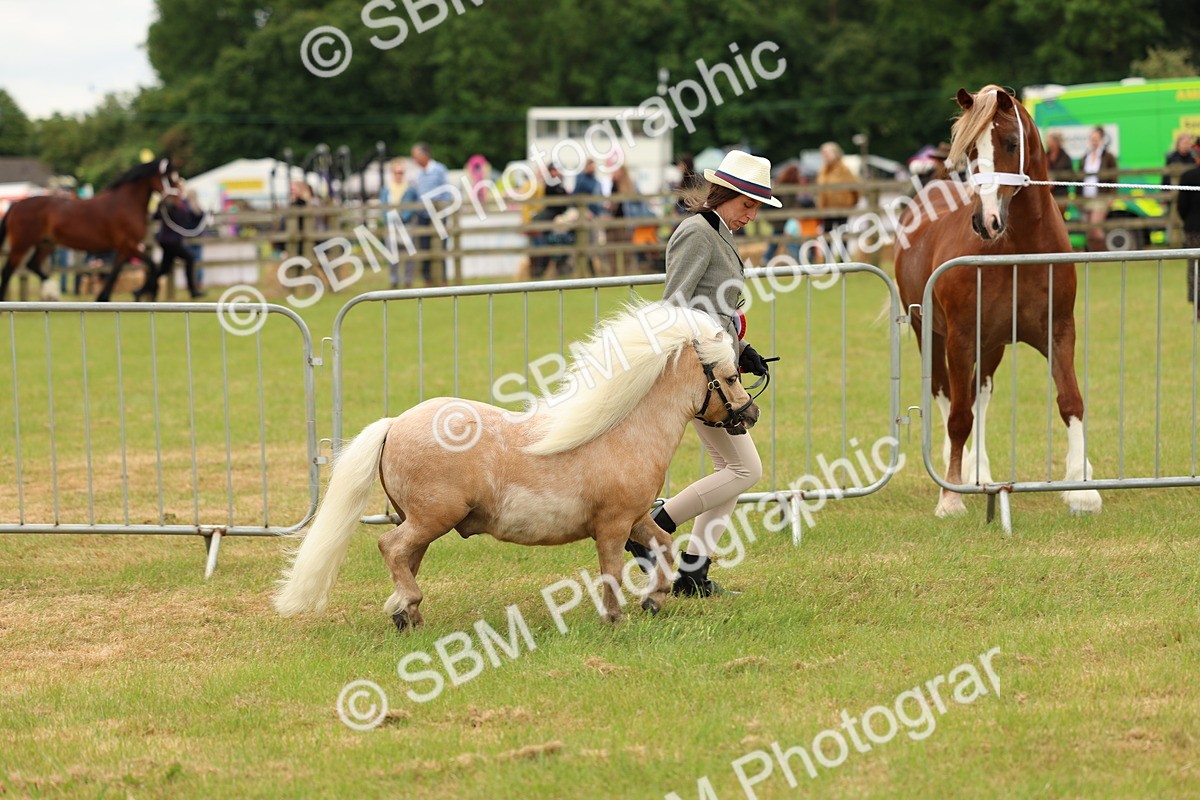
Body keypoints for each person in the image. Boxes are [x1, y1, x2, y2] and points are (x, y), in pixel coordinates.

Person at [625, 149, 775, 597]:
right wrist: (715, 360)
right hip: (698, 376)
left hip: (716, 367)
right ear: (724, 194)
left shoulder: (718, 231)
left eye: (757, 207)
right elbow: (675, 308)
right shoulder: (697, 232)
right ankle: (654, 525)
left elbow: (712, 308)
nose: (752, 214)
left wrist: (742, 349)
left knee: (731, 468)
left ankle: (693, 571)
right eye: (747, 203)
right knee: (746, 470)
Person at [150, 186, 205, 299]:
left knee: (164, 269)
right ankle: (193, 290)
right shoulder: (170, 204)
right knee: (189, 258)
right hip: (170, 241)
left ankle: (144, 289)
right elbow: (158, 216)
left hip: (171, 241)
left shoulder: (180, 203)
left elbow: (194, 215)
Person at [411, 142, 452, 285]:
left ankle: (443, 278)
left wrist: (442, 210)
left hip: (438, 214)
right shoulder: (419, 174)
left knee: (441, 246)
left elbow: (446, 191)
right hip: (423, 215)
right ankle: (427, 279)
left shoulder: (438, 169)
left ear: (424, 155)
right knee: (424, 247)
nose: (414, 159)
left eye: (416, 156)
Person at [379, 158, 420, 288]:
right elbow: (383, 208)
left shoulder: (410, 189)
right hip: (391, 226)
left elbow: (413, 206)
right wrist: (389, 219)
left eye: (401, 172)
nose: (399, 174)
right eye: (397, 172)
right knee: (392, 254)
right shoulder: (386, 190)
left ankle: (408, 280)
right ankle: (394, 280)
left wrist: (402, 217)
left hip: (406, 225)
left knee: (408, 254)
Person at [1078, 126, 1118, 252]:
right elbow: (1080, 177)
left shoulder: (1108, 157)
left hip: (1101, 196)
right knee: (1089, 230)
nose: (1093, 141)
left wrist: (1111, 196)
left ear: (1101, 139)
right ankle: (1094, 254)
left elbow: (1114, 177)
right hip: (1086, 197)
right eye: (1091, 138)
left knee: (1095, 225)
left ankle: (1105, 252)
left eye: (1095, 138)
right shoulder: (1086, 157)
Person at [1176, 144, 1200, 316]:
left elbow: (1181, 207)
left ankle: (1198, 308)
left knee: (1195, 268)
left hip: (1193, 228)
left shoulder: (1188, 176)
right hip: (1193, 227)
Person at [816, 142, 860, 236]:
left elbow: (855, 188)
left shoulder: (844, 169)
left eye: (827, 153)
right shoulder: (823, 170)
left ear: (836, 154)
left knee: (842, 231)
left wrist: (852, 202)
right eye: (823, 153)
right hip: (826, 208)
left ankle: (843, 251)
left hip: (841, 208)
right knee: (827, 232)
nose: (825, 156)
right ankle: (828, 251)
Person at [1044, 131, 1074, 207]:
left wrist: (1055, 181)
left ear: (1056, 142)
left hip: (1061, 194)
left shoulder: (1065, 158)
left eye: (1049, 140)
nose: (1047, 142)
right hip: (1046, 194)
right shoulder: (1045, 156)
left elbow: (1070, 176)